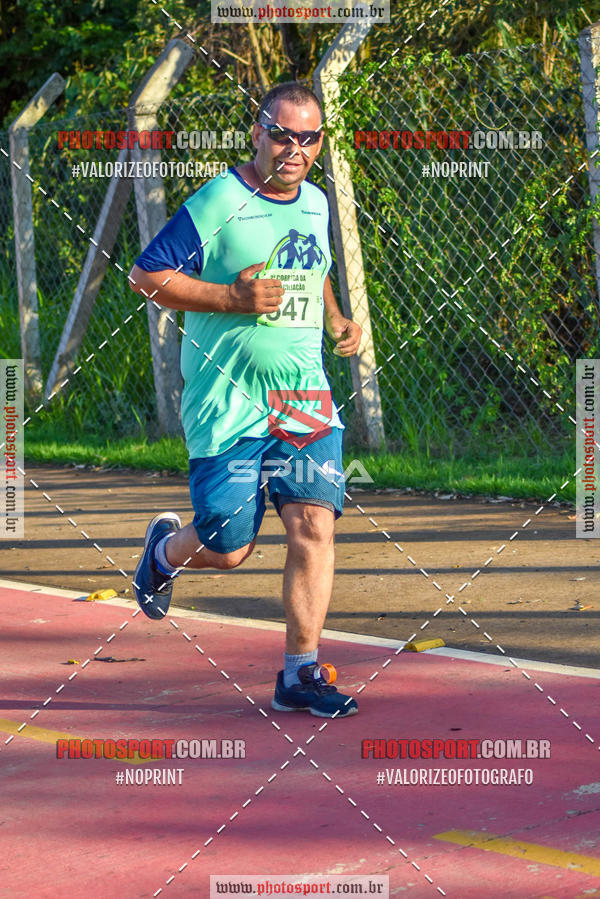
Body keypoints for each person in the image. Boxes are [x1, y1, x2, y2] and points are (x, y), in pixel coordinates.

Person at [129, 81, 362, 718]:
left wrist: (335, 317)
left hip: (304, 396)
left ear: (320, 142)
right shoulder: (219, 201)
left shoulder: (316, 202)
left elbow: (314, 269)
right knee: (229, 547)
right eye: (283, 135)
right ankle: (164, 552)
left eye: (308, 138)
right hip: (227, 402)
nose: (295, 149)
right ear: (258, 134)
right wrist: (231, 298)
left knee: (314, 525)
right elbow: (146, 275)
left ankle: (300, 674)